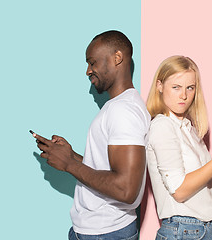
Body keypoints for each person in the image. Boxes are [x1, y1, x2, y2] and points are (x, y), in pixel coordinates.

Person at [33, 30, 151, 240]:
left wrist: (69, 164)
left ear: (117, 58)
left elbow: (126, 189)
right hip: (100, 231)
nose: (88, 71)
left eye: (92, 62)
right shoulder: (120, 107)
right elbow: (109, 169)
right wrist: (71, 156)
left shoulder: (123, 111)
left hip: (104, 233)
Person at [146, 55, 212, 240]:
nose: (184, 95)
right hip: (184, 229)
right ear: (159, 86)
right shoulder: (162, 126)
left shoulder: (188, 128)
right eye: (176, 87)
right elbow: (179, 191)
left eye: (190, 88)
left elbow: (210, 182)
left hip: (206, 228)